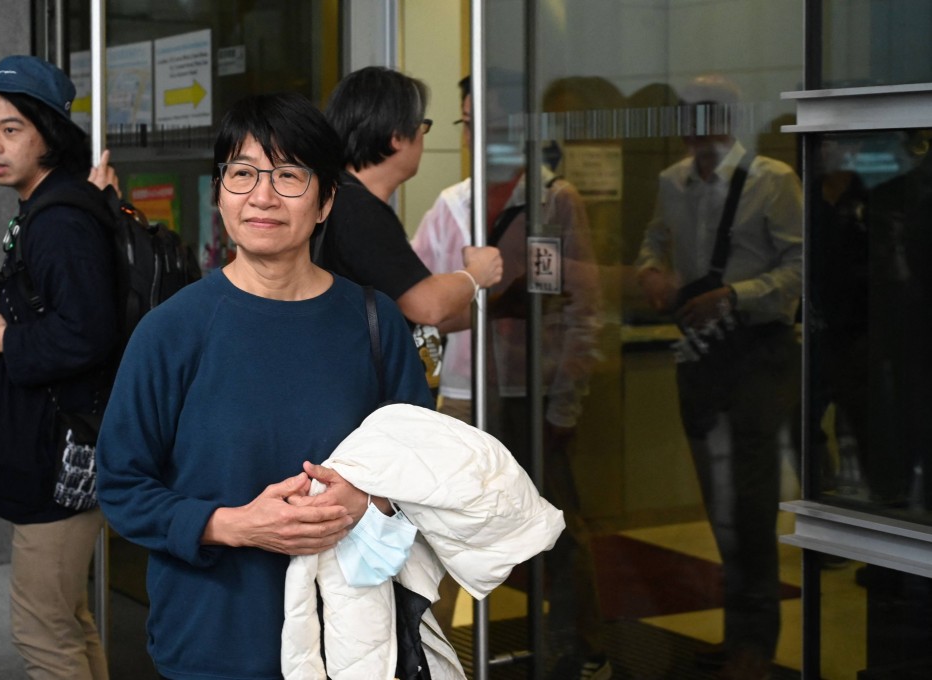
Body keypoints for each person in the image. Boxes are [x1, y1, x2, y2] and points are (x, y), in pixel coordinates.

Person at [95, 92, 434, 680]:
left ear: (326, 200)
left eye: (289, 176)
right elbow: (121, 486)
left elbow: (424, 468)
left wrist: (367, 500)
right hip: (213, 638)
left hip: (350, 641)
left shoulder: (373, 322)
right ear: (219, 193)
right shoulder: (171, 331)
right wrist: (234, 526)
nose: (262, 196)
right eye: (242, 173)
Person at [412, 74, 608, 680]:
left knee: (556, 524)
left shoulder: (554, 200)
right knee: (440, 531)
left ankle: (579, 647)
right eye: (469, 124)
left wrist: (565, 402)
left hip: (532, 390)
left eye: (491, 124)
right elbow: (415, 297)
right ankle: (432, 658)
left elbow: (585, 307)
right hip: (465, 394)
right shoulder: (452, 204)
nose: (478, 137)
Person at [635, 74, 803, 680]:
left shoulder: (771, 180)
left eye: (703, 114)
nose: (692, 127)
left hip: (758, 349)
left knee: (751, 500)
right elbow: (654, 240)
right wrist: (651, 271)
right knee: (720, 500)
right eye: (685, 115)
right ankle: (738, 638)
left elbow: (802, 266)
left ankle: (755, 643)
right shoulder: (672, 182)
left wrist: (735, 296)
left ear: (728, 119)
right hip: (701, 353)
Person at [0, 55, 119, 679]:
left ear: (48, 133)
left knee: (43, 635)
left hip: (60, 460)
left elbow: (88, 334)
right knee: (69, 621)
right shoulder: (53, 206)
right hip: (57, 451)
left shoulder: (59, 222)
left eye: (11, 129)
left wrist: (4, 339)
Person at [314, 66, 503, 388]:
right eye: (421, 127)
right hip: (355, 392)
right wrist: (477, 273)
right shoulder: (357, 209)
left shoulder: (340, 198)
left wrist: (500, 307)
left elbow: (407, 315)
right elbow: (427, 306)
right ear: (397, 137)